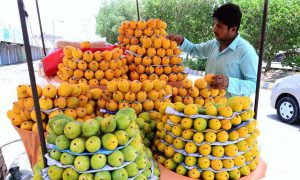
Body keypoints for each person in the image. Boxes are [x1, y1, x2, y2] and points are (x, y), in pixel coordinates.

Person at [167, 3, 258, 97]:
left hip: (233, 110)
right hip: (209, 106)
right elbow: (194, 50)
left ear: (233, 29)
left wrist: (230, 82)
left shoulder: (246, 51)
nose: (214, 29)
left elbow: (254, 85)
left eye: (219, 26)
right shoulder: (214, 44)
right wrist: (182, 41)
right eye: (214, 24)